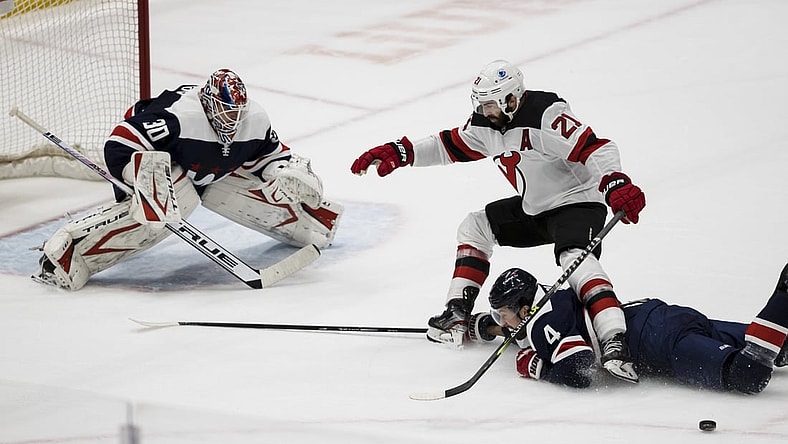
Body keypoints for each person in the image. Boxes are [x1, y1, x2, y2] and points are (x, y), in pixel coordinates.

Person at [350, 59, 645, 382]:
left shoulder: (547, 115)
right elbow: (448, 145)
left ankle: (614, 339)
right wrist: (402, 152)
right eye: (481, 103)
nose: (485, 110)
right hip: (536, 208)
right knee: (476, 226)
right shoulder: (486, 125)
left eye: (491, 103)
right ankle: (457, 313)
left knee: (575, 259)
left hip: (578, 202)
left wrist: (616, 181)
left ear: (512, 98)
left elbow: (596, 148)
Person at [34, 69, 343, 290]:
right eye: (225, 112)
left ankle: (312, 223)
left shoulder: (255, 120)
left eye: (237, 113)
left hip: (209, 169)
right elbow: (120, 143)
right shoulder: (181, 118)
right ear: (208, 103)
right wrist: (138, 178)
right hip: (164, 162)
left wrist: (284, 172)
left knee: (264, 185)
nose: (232, 121)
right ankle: (68, 252)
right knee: (177, 204)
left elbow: (269, 156)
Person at [464, 264, 788, 394]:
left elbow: (579, 370)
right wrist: (485, 327)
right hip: (655, 315)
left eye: (502, 313)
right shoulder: (548, 294)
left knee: (749, 373)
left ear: (524, 308)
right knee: (782, 344)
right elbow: (519, 326)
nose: (501, 319)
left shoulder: (545, 325)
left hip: (658, 342)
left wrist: (536, 367)